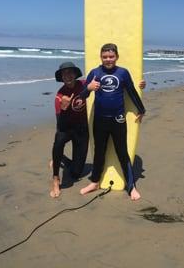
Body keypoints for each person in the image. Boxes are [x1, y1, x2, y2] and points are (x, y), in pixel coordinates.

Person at [79, 43, 146, 201]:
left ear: (116, 57)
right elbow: (83, 96)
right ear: (101, 57)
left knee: (122, 153)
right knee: (99, 153)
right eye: (105, 57)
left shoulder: (123, 73)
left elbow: (131, 91)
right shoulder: (95, 73)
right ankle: (94, 182)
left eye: (111, 56)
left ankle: (131, 187)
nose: (108, 59)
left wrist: (141, 109)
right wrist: (88, 88)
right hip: (100, 120)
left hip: (118, 119)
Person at [50, 62, 88, 198]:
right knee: (58, 140)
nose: (68, 76)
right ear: (61, 77)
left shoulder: (83, 84)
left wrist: (139, 82)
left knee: (76, 173)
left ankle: (60, 159)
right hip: (66, 128)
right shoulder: (59, 96)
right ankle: (55, 178)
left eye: (70, 72)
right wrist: (64, 108)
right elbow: (60, 124)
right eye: (64, 73)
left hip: (82, 128)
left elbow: (103, 79)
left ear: (75, 74)